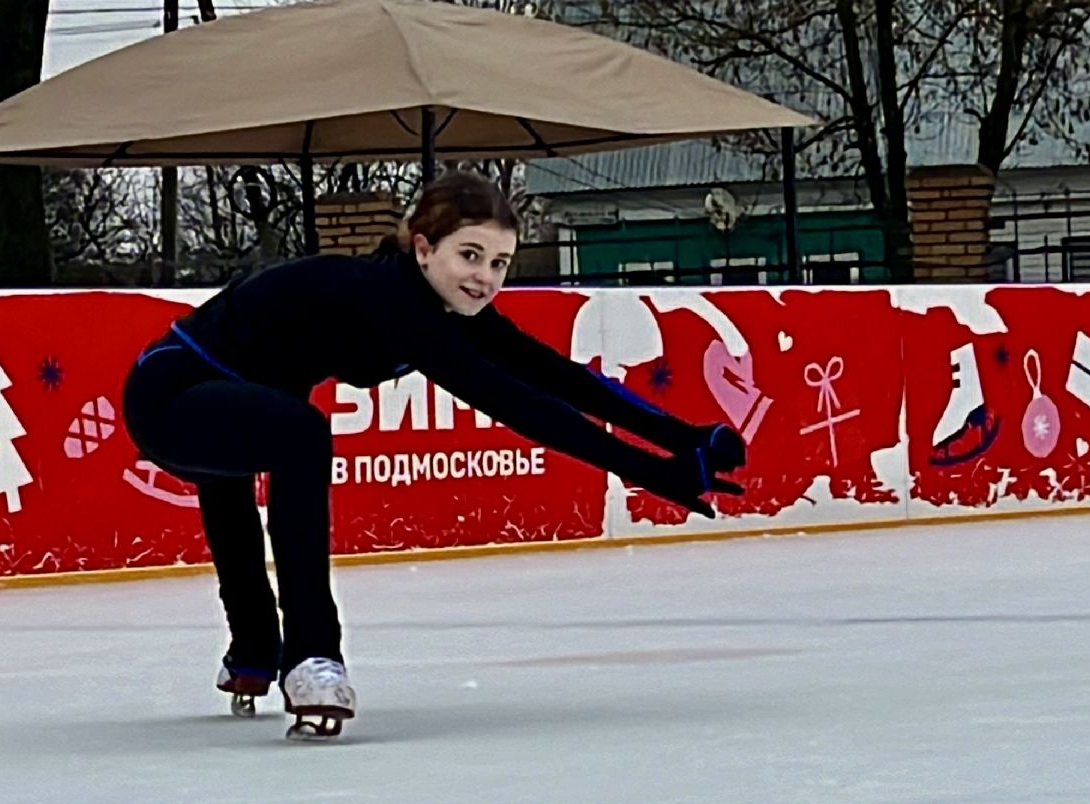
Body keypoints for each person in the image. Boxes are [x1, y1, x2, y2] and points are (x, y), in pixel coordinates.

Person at [121, 171, 745, 739]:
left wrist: (683, 439)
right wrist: (652, 472)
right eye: (469, 255)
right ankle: (311, 657)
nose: (484, 277)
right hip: (168, 396)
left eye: (499, 262)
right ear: (423, 249)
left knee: (265, 439)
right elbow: (515, 403)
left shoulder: (448, 308)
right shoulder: (389, 300)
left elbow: (558, 378)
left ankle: (254, 652)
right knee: (297, 434)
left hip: (230, 403)